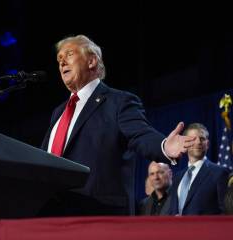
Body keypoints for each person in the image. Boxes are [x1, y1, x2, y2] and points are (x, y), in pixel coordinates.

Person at [41, 34, 195, 216]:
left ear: (91, 61)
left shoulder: (118, 102)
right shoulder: (58, 113)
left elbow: (141, 135)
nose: (62, 63)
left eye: (69, 54)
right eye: (59, 59)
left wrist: (164, 147)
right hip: (54, 216)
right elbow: (44, 160)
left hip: (98, 215)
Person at [169, 123, 229, 215]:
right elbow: (172, 211)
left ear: (207, 144)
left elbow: (226, 212)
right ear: (185, 144)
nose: (198, 142)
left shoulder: (220, 173)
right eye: (193, 139)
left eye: (202, 139)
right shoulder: (177, 177)